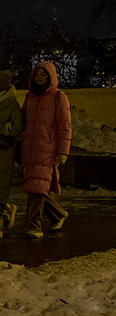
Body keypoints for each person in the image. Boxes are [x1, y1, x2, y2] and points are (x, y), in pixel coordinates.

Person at [20, 61, 71, 239]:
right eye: (37, 74)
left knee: (37, 187)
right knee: (38, 186)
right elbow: (23, 121)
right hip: (30, 149)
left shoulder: (59, 97)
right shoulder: (30, 97)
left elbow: (64, 125)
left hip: (48, 149)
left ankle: (33, 226)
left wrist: (63, 151)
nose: (40, 77)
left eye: (43, 74)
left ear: (51, 77)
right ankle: (59, 214)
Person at [0, 69, 22, 232]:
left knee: (2, 184)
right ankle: (7, 209)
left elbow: (16, 128)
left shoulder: (12, 103)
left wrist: (5, 129)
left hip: (4, 149)